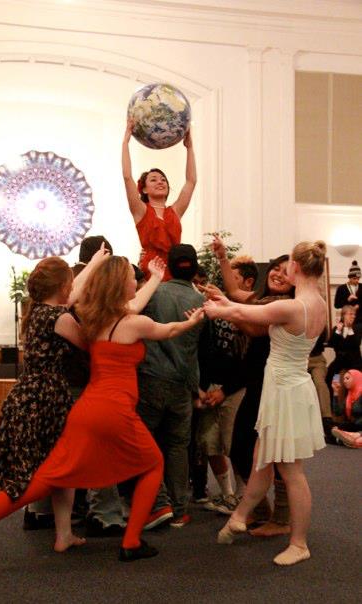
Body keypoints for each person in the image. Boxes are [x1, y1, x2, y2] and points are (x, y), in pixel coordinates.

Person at [0, 255, 204, 572]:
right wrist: (194, 319)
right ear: (120, 284)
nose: (136, 281)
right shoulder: (130, 322)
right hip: (111, 410)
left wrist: (146, 278)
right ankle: (130, 542)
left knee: (43, 481)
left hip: (85, 409)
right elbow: (169, 330)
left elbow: (110, 304)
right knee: (154, 464)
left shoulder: (93, 318)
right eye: (132, 278)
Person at [0, 250, 108, 569]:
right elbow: (90, 344)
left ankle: (64, 534)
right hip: (43, 402)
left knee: (25, 468)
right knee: (24, 477)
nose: (74, 287)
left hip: (28, 398)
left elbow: (72, 292)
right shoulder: (60, 318)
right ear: (62, 287)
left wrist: (94, 263)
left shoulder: (38, 310)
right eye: (70, 282)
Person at [204, 240, 327, 566]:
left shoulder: (294, 306)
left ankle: (299, 543)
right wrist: (223, 300)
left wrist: (218, 308)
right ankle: (240, 518)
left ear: (295, 268)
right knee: (261, 459)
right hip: (286, 388)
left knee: (291, 471)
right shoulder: (319, 303)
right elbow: (246, 305)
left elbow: (244, 311)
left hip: (285, 391)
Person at [207, 238, 294, 537]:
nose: (278, 274)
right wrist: (222, 259)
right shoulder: (260, 298)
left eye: (287, 271)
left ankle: (280, 518)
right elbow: (234, 292)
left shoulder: (284, 304)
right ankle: (262, 510)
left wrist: (225, 309)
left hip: (275, 385)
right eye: (276, 268)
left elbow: (255, 327)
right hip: (259, 383)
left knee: (275, 452)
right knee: (243, 447)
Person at [136, 244, 205, 528]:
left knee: (146, 443)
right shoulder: (201, 301)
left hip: (151, 379)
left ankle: (157, 503)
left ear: (170, 266)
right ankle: (180, 509)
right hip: (183, 385)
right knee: (178, 447)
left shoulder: (156, 293)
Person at [196, 256, 258, 515]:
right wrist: (202, 388)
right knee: (209, 443)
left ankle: (248, 500)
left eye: (233, 276)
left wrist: (225, 390)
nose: (227, 282)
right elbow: (204, 347)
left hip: (237, 389)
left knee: (237, 445)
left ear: (248, 281)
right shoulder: (217, 305)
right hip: (211, 386)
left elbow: (250, 362)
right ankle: (228, 495)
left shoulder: (254, 309)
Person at [122, 120, 197, 281]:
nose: (161, 182)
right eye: (154, 180)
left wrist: (189, 147)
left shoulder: (175, 210)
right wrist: (126, 141)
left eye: (163, 179)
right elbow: (127, 177)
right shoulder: (140, 210)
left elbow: (191, 181)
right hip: (151, 272)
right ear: (144, 189)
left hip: (177, 272)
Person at [326, 305, 362, 399]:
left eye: (354, 314)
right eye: (350, 314)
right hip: (339, 364)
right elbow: (331, 344)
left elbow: (355, 344)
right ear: (343, 316)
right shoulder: (337, 328)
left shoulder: (357, 328)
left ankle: (353, 406)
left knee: (354, 381)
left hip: (354, 364)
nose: (353, 316)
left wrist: (349, 329)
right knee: (333, 378)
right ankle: (335, 404)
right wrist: (338, 331)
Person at [331, 369, 362, 446]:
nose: (344, 381)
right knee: (333, 429)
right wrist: (335, 393)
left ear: (356, 379)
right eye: (344, 379)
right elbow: (338, 412)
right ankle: (353, 438)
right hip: (355, 426)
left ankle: (354, 437)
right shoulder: (349, 396)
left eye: (347, 378)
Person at [334, 260, 362, 328]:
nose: (357, 280)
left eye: (358, 278)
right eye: (354, 278)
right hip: (346, 320)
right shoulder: (341, 288)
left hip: (360, 321)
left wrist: (358, 306)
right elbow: (336, 305)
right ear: (349, 277)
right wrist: (348, 300)